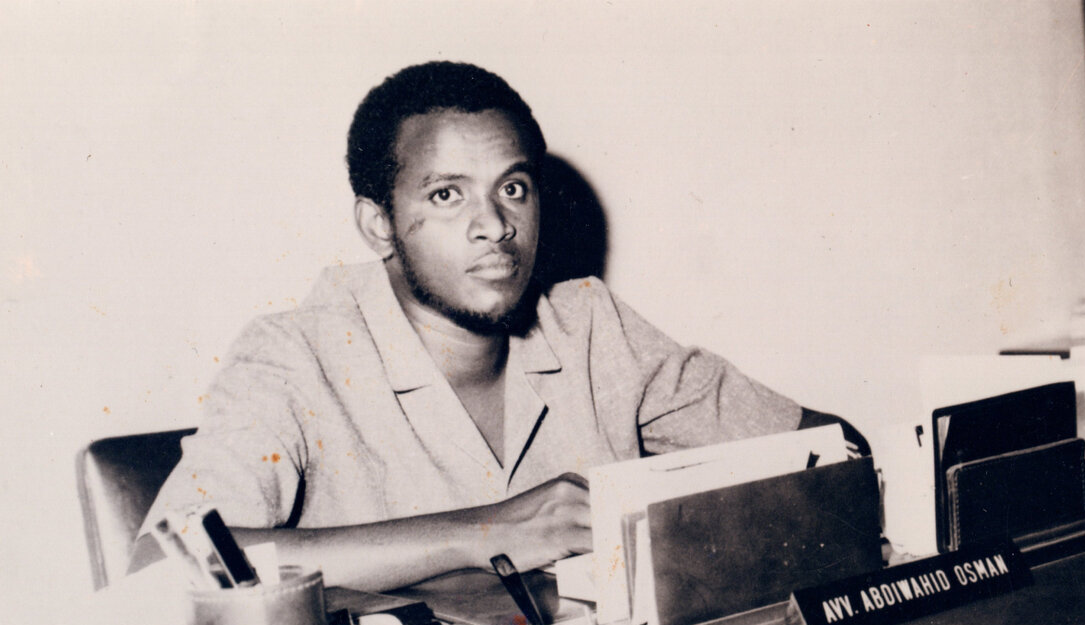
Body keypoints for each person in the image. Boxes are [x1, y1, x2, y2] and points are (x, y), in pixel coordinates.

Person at [132, 62, 867, 592]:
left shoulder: (585, 322)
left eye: (512, 188)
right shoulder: (293, 354)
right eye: (448, 195)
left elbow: (832, 450)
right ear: (378, 224)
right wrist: (492, 530)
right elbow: (167, 566)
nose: (494, 226)